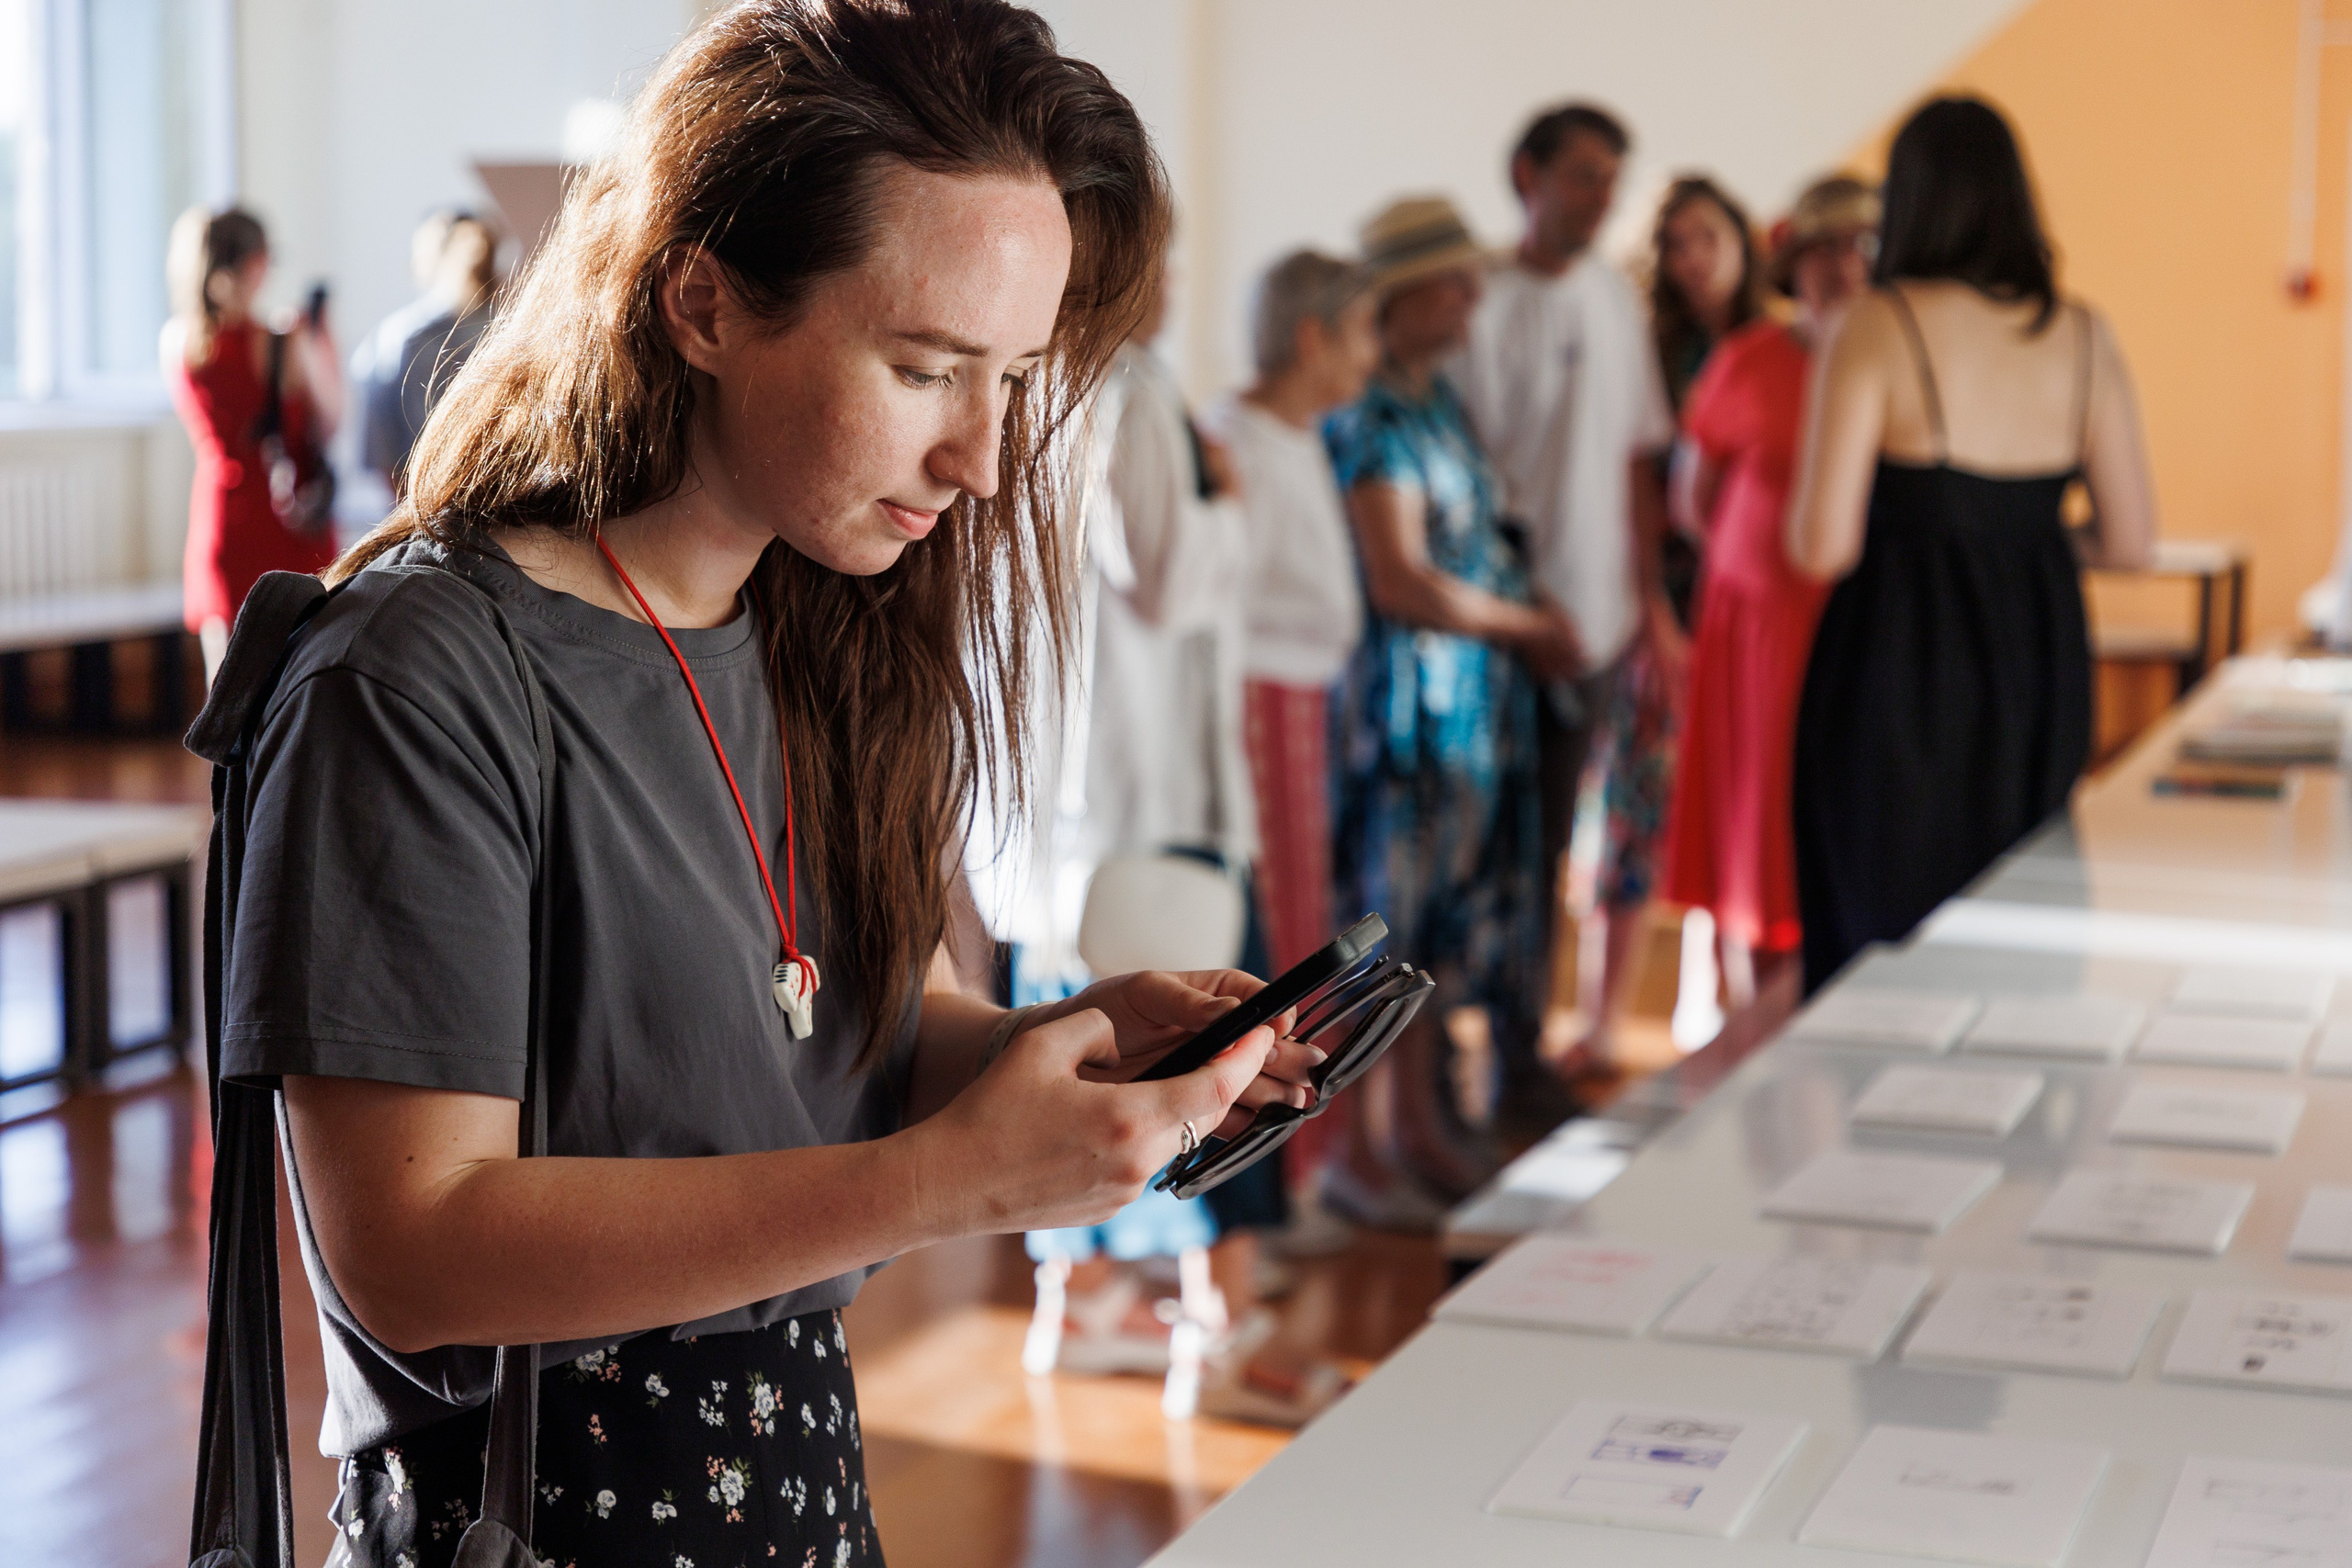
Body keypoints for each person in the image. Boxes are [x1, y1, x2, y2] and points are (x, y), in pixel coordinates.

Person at [211, 6, 1322, 1562]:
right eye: (928, 368)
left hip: (795, 1497)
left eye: (1012, 379)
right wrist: (936, 1183)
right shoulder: (420, 675)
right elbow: (417, 1245)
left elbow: (856, 1025)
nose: (985, 462)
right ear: (704, 300)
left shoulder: (821, 619)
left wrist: (1051, 1047)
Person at [1786, 96, 2157, 992]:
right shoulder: (2081, 332)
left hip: (1894, 671)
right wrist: (2017, 541)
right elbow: (2132, 540)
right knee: (2019, 951)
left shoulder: (1877, 323)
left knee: (1881, 955)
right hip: (2038, 668)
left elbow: (1819, 546)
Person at [1326, 196, 1577, 1224]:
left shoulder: (1436, 402)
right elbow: (1402, 580)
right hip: (1407, 719)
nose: (1475, 297)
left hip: (1466, 717)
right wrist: (1525, 627)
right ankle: (1370, 1147)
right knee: (1388, 934)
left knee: (1433, 940)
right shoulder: (1372, 416)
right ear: (1405, 295)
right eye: (1455, 281)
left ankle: (1426, 1124)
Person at [1450, 104, 1677, 1090]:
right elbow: (1462, 484)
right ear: (1525, 175)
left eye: (1611, 180)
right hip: (1500, 630)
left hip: (1598, 623)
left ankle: (1525, 1049)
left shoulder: (1614, 302)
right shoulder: (1480, 306)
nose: (1600, 198)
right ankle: (1487, 1051)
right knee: (1492, 854)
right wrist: (1527, 609)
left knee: (1555, 851)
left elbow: (1635, 459)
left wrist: (1643, 605)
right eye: (1583, 175)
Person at [1661, 175, 1876, 1021]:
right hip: (1752, 628)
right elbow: (1693, 497)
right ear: (1794, 265)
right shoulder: (1751, 356)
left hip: (1848, 628)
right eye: (1823, 251)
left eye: (1861, 247)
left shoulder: (1892, 356)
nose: (1843, 267)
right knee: (1753, 828)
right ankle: (1750, 1021)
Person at [1201, 248, 1378, 1258]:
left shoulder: (1296, 437)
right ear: (1311, 337)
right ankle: (1261, 1188)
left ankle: (1297, 1171)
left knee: (1310, 924)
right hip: (1260, 703)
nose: (1367, 357)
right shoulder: (1241, 441)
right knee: (1277, 940)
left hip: (1305, 701)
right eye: (1357, 333)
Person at [163, 205, 345, 679]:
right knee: (295, 679)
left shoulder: (176, 340)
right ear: (257, 263)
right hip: (283, 516)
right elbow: (331, 421)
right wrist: (320, 346)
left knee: (225, 685)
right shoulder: (277, 342)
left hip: (220, 513)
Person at [350, 207, 500, 494]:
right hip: (499, 516)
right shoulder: (518, 331)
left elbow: (383, 449)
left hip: (428, 511)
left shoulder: (400, 338)